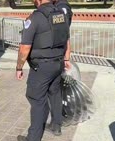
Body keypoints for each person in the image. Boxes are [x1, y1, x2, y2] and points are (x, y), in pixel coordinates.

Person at [15, 0, 71, 141]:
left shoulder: (35, 17)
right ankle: (56, 126)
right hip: (57, 63)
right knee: (55, 93)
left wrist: (19, 67)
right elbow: (66, 40)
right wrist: (66, 58)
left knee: (36, 99)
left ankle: (33, 139)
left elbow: (25, 47)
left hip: (42, 67)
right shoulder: (61, 15)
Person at [47, 0, 74, 129]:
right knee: (56, 90)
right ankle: (57, 122)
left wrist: (66, 58)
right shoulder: (61, 6)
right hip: (60, 55)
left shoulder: (61, 8)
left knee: (56, 90)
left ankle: (59, 117)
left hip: (57, 55)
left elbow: (64, 34)